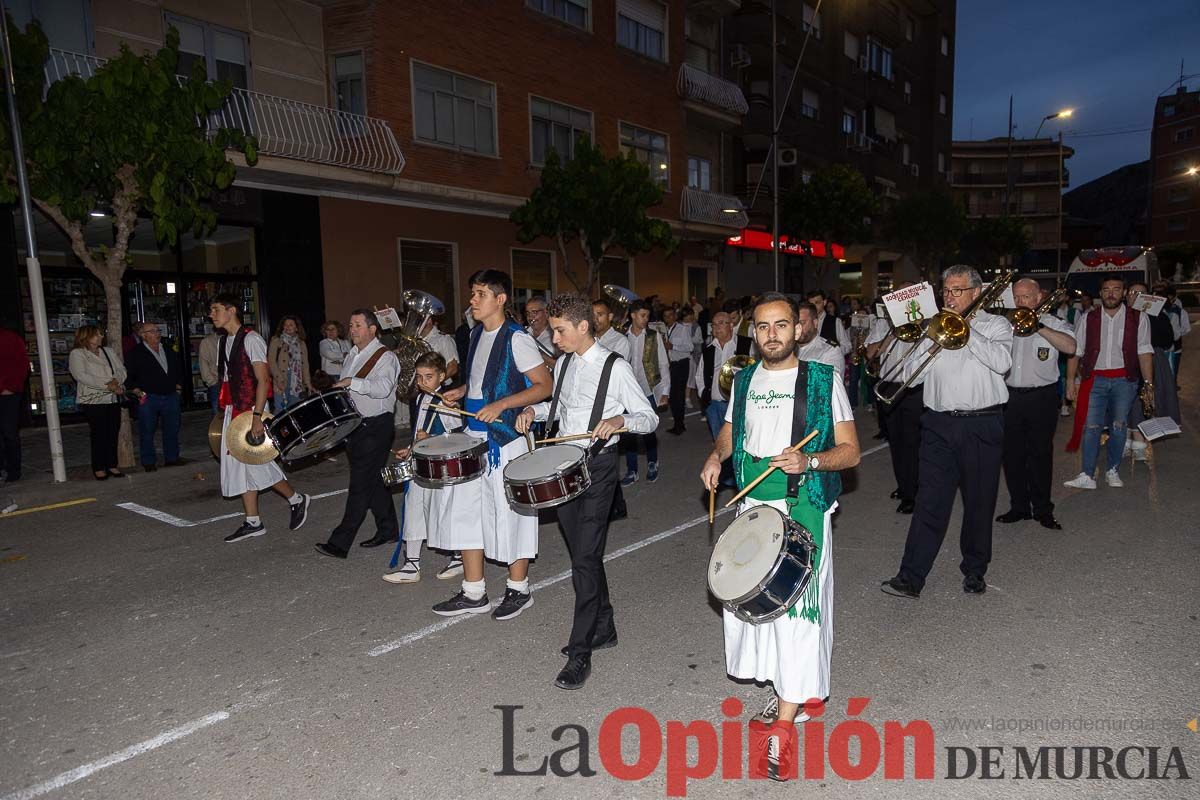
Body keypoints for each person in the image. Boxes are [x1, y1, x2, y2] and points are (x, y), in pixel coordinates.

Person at [700, 292, 860, 781]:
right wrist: (715, 457)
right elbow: (731, 430)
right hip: (753, 508)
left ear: (799, 329)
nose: (772, 334)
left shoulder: (822, 380)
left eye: (782, 325)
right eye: (763, 326)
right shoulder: (743, 378)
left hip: (802, 506)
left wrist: (810, 460)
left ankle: (784, 730)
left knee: (797, 618)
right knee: (760, 612)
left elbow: (851, 451)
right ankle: (793, 692)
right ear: (754, 331)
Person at [517, 294, 659, 689]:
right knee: (586, 554)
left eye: (559, 330)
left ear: (583, 327)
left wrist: (620, 419)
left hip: (597, 468)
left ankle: (580, 653)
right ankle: (606, 626)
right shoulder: (562, 363)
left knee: (583, 558)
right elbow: (560, 410)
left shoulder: (615, 368)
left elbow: (649, 418)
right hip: (562, 466)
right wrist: (535, 412)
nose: (554, 336)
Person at [881, 266, 1013, 599]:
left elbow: (1002, 362)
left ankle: (975, 569)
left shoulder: (996, 325)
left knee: (979, 502)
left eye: (957, 290)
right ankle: (911, 577)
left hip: (982, 423)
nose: (949, 297)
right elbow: (910, 376)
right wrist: (932, 341)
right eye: (946, 291)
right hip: (938, 424)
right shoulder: (934, 327)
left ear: (977, 292)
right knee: (930, 502)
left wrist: (966, 330)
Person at [432, 270, 553, 620]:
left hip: (506, 440)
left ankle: (519, 589)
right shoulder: (474, 334)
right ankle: (474, 592)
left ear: (500, 300)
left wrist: (502, 405)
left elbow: (543, 385)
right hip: (474, 435)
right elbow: (484, 379)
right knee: (467, 514)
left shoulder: (517, 338)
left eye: (480, 294)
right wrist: (462, 391)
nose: (472, 300)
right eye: (472, 293)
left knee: (512, 514)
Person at [209, 294, 311, 543]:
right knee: (241, 467)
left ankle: (297, 499)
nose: (211, 314)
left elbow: (264, 380)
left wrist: (257, 417)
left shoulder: (252, 339)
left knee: (256, 463)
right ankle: (253, 521)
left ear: (231, 310)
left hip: (249, 412)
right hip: (234, 411)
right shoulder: (224, 341)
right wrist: (224, 412)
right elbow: (228, 380)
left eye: (215, 309)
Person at [314, 309, 403, 558]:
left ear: (372, 329)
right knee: (372, 480)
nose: (352, 329)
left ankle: (340, 543)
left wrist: (353, 382)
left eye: (357, 325)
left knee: (360, 485)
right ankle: (389, 530)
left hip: (376, 426)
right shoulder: (352, 354)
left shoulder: (385, 357)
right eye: (350, 325)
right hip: (356, 425)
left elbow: (383, 389)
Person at [995, 279, 1076, 531]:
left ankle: (1042, 509)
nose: (1021, 302)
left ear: (1039, 297)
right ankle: (1019, 506)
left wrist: (1037, 325)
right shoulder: (1004, 326)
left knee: (1040, 454)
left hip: (1042, 397)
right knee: (1012, 454)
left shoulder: (1054, 324)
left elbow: (1072, 347)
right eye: (1017, 298)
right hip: (1010, 396)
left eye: (1026, 297)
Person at [1064, 275, 1153, 490]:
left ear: (1124, 293)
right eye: (1106, 289)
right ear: (1100, 293)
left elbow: (1144, 352)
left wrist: (1149, 384)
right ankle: (1087, 474)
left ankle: (1112, 470)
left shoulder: (1138, 318)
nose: (1110, 293)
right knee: (1092, 427)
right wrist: (1070, 381)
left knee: (1119, 426)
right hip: (1095, 380)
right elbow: (1076, 351)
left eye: (1116, 289)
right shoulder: (1088, 317)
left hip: (1125, 381)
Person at [385, 352, 463, 584]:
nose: (422, 382)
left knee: (441, 512)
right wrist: (410, 448)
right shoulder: (420, 398)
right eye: (419, 377)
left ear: (442, 376)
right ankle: (411, 564)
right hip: (420, 464)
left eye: (428, 377)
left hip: (439, 467)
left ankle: (458, 556)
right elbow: (419, 430)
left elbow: (457, 438)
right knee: (414, 509)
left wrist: (431, 437)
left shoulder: (447, 402)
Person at [865, 283, 923, 514]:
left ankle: (915, 492)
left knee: (913, 442)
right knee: (896, 442)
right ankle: (905, 486)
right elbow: (871, 354)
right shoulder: (884, 322)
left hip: (914, 387)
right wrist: (892, 332)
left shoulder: (928, 321)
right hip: (889, 386)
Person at [695, 311, 753, 487]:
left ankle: (742, 476)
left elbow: (755, 369)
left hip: (738, 405)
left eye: (721, 323)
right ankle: (728, 479)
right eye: (714, 324)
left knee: (741, 442)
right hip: (715, 406)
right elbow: (700, 375)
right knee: (720, 444)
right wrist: (705, 395)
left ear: (730, 325)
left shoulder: (745, 344)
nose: (716, 327)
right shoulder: (709, 348)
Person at [1124, 281, 1181, 461]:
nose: (1137, 297)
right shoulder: (1119, 314)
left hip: (1152, 361)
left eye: (1142, 294)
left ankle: (1139, 444)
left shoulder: (1158, 316)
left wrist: (1150, 316)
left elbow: (1167, 340)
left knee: (1145, 401)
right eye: (1133, 293)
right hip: (1124, 362)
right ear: (1127, 295)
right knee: (1124, 402)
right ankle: (1125, 442)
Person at [593, 297, 633, 521]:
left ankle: (614, 505)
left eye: (600, 314)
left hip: (611, 403)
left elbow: (611, 372)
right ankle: (616, 505)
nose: (595, 318)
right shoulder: (590, 339)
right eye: (592, 314)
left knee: (606, 454)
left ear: (609, 317)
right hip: (594, 405)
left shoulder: (620, 341)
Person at [123, 321, 183, 472]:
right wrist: (137, 391)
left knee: (172, 429)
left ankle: (172, 458)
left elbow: (178, 368)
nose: (157, 333)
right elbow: (129, 375)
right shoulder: (135, 353)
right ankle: (148, 461)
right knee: (147, 430)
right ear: (144, 335)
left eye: (157, 330)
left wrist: (178, 386)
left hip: (170, 395)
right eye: (153, 331)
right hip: (149, 397)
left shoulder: (167, 349)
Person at [68, 325, 125, 481]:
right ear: (86, 337)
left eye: (101, 334)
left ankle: (112, 464)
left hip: (112, 398)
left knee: (113, 432)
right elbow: (81, 375)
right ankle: (99, 467)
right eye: (97, 334)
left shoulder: (108, 351)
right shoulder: (78, 354)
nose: (101, 336)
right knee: (99, 434)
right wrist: (108, 384)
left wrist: (116, 381)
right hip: (93, 400)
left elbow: (121, 370)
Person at [622, 300, 669, 485]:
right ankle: (632, 469)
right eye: (642, 315)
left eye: (648, 315)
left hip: (648, 388)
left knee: (649, 428)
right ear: (633, 315)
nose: (646, 319)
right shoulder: (622, 336)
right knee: (628, 431)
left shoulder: (652, 335)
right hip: (626, 391)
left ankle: (652, 462)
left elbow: (664, 363)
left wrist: (665, 391)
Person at [0, 324, 30, 484]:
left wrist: (10, 387)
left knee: (9, 433)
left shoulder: (10, 338)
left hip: (7, 394)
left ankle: (13, 470)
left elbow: (22, 364)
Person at [268, 315, 312, 410]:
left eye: (291, 325)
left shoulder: (301, 343)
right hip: (282, 378)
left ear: (296, 328)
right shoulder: (276, 340)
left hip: (298, 382)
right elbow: (271, 362)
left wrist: (308, 384)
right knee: (281, 410)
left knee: (296, 410)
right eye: (285, 325)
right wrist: (279, 380)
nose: (287, 327)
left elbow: (305, 365)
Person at [663, 306, 694, 435]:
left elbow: (690, 347)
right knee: (673, 396)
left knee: (678, 396)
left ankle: (679, 425)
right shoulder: (664, 330)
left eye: (670, 315)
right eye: (665, 316)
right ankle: (678, 423)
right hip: (671, 365)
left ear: (675, 316)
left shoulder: (682, 329)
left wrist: (672, 346)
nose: (668, 318)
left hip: (681, 364)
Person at [794, 302, 846, 376]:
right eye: (794, 323)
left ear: (815, 323)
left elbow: (828, 384)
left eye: (802, 323)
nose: (797, 327)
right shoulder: (788, 349)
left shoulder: (830, 351)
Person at [806, 290, 851, 360]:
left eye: (817, 303)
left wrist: (834, 354)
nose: (814, 306)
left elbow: (847, 346)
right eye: (811, 304)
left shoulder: (835, 321)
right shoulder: (805, 322)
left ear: (824, 302)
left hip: (829, 364)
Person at [420, 314, 460, 380]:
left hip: (440, 388)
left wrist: (436, 382)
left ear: (429, 320)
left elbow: (452, 367)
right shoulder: (416, 341)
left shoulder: (443, 339)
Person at [198, 330, 221, 415]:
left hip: (235, 384)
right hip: (217, 384)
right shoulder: (207, 342)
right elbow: (203, 365)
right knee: (218, 419)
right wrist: (213, 382)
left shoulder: (233, 339)